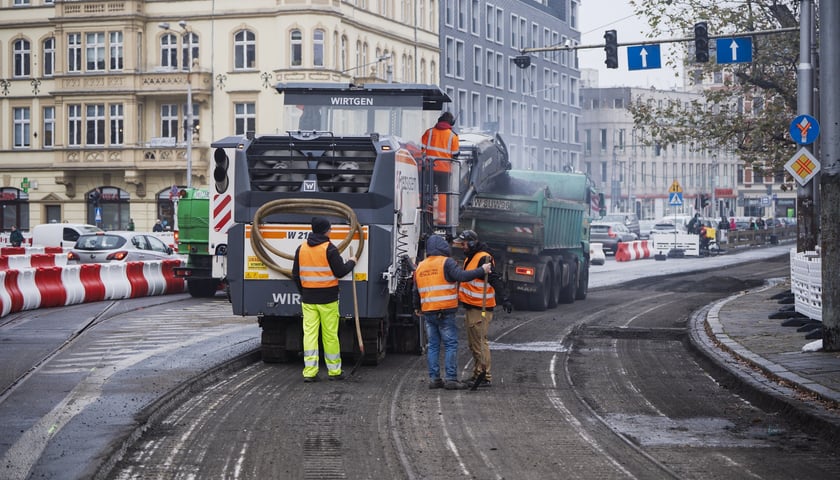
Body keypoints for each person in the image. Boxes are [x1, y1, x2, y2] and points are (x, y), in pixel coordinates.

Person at [413, 234, 490, 390]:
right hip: (445, 310)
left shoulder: (420, 266)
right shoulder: (446, 263)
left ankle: (435, 379)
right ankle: (451, 379)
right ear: (443, 247)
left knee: (433, 345)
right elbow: (461, 276)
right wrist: (481, 270)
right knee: (450, 344)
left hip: (428, 311)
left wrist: (417, 307)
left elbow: (415, 290)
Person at [292, 217, 357, 382]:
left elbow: (295, 274)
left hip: (308, 299)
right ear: (325, 230)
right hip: (328, 300)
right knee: (330, 335)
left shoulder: (302, 248)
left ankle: (310, 372)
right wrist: (352, 262)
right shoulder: (330, 249)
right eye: (330, 228)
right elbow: (340, 271)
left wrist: (304, 291)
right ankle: (334, 371)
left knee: (310, 335)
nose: (331, 230)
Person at [454, 230, 512, 388]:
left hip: (481, 308)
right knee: (474, 344)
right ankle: (478, 373)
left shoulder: (483, 258)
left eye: (464, 243)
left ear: (472, 243)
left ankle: (485, 376)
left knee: (480, 343)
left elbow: (494, 279)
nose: (462, 246)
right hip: (472, 306)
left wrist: (504, 298)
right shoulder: (472, 256)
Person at [421, 112, 459, 226]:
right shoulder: (453, 136)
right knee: (443, 193)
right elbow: (455, 154)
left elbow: (421, 148)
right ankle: (442, 217)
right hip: (444, 170)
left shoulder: (429, 132)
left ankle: (425, 212)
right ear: (451, 122)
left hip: (428, 168)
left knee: (426, 191)